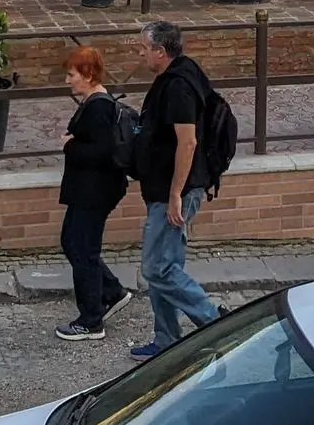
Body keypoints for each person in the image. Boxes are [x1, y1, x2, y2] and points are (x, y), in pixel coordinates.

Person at [129, 18, 222, 360]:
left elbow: (188, 142)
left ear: (160, 51)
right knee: (166, 266)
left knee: (157, 269)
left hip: (175, 192)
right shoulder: (176, 75)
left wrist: (174, 196)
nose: (140, 54)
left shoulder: (179, 86)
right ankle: (166, 339)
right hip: (164, 189)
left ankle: (216, 325)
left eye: (143, 48)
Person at [54, 46, 133, 342]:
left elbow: (103, 152)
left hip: (94, 191)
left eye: (71, 74)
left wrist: (70, 146)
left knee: (83, 249)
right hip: (88, 190)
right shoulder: (95, 102)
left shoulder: (98, 107)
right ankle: (111, 292)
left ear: (88, 75)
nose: (67, 80)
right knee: (71, 241)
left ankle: (91, 320)